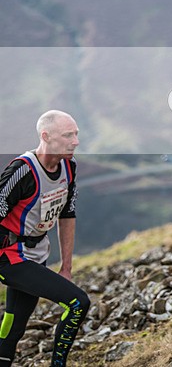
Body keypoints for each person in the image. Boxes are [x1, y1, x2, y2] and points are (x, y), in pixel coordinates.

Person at [0, 110, 89, 366]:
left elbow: (67, 214)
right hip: (10, 257)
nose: (75, 141)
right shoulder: (22, 171)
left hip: (37, 253)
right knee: (78, 303)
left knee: (14, 325)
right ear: (46, 137)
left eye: (76, 134)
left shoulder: (68, 167)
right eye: (68, 135)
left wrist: (67, 267)